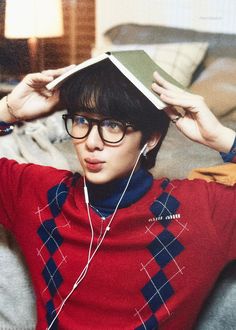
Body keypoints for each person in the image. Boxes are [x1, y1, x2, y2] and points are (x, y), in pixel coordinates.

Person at [0, 59, 235, 330]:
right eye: (81, 120)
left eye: (113, 126)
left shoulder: (203, 210)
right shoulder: (39, 194)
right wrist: (8, 109)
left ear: (151, 138)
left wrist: (221, 138)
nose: (91, 142)